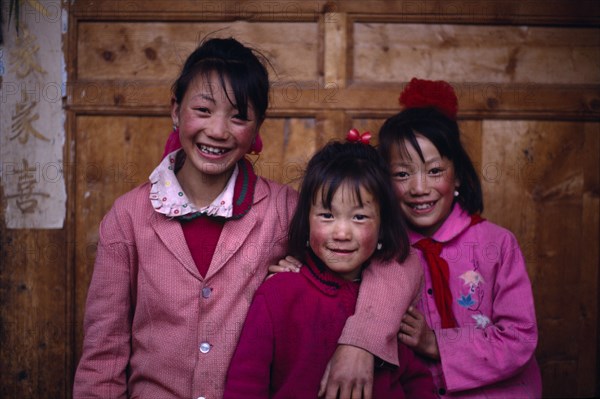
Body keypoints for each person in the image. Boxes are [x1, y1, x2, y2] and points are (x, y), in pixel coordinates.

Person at [73, 37, 422, 399]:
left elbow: (400, 260)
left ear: (257, 127)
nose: (218, 131)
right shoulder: (128, 217)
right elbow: (103, 357)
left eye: (239, 116)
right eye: (204, 110)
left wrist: (362, 341)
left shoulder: (284, 209)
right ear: (176, 110)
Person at [224, 137, 436, 399]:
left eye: (359, 217)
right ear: (307, 220)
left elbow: (415, 380)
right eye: (327, 215)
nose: (342, 233)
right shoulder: (279, 292)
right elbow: (245, 383)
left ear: (382, 227)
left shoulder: (385, 303)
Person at [378, 78, 542, 398]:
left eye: (434, 171)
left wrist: (435, 342)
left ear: (458, 176)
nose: (419, 188)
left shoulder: (498, 244)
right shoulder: (383, 249)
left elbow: (519, 338)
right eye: (402, 174)